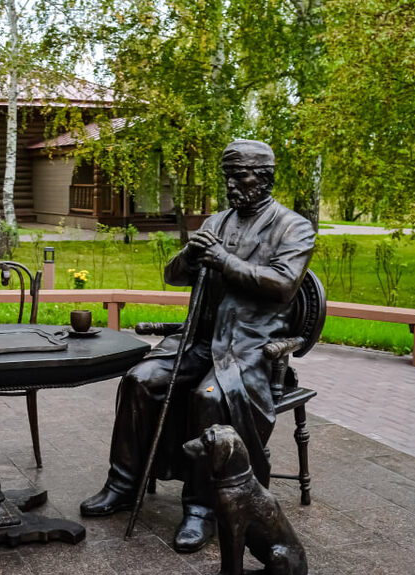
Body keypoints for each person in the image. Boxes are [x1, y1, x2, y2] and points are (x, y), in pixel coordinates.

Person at [79, 139, 315, 553]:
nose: (233, 185)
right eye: (228, 176)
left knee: (211, 396)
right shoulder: (216, 221)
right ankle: (123, 483)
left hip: (248, 347)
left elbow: (281, 285)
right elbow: (173, 275)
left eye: (241, 176)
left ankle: (201, 508)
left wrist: (223, 260)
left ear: (265, 177)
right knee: (139, 379)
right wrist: (190, 255)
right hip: (199, 341)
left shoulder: (293, 226)